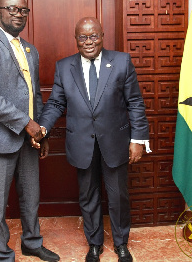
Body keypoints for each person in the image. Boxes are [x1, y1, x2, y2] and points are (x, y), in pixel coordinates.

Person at [37, 17, 150, 262]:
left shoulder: (121, 62)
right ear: (75, 39)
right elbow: (56, 102)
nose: (88, 42)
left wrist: (138, 139)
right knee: (88, 196)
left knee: (118, 196)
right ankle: (94, 244)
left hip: (116, 142)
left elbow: (135, 103)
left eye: (93, 36)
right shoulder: (64, 66)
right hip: (81, 144)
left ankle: (121, 244)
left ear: (102, 35)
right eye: (82, 37)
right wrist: (43, 127)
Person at [0, 0, 60, 262]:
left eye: (23, 10)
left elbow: (34, 94)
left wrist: (41, 131)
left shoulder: (31, 49)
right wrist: (26, 124)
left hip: (29, 140)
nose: (18, 14)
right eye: (12, 9)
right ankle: (3, 255)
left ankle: (32, 242)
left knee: (31, 197)